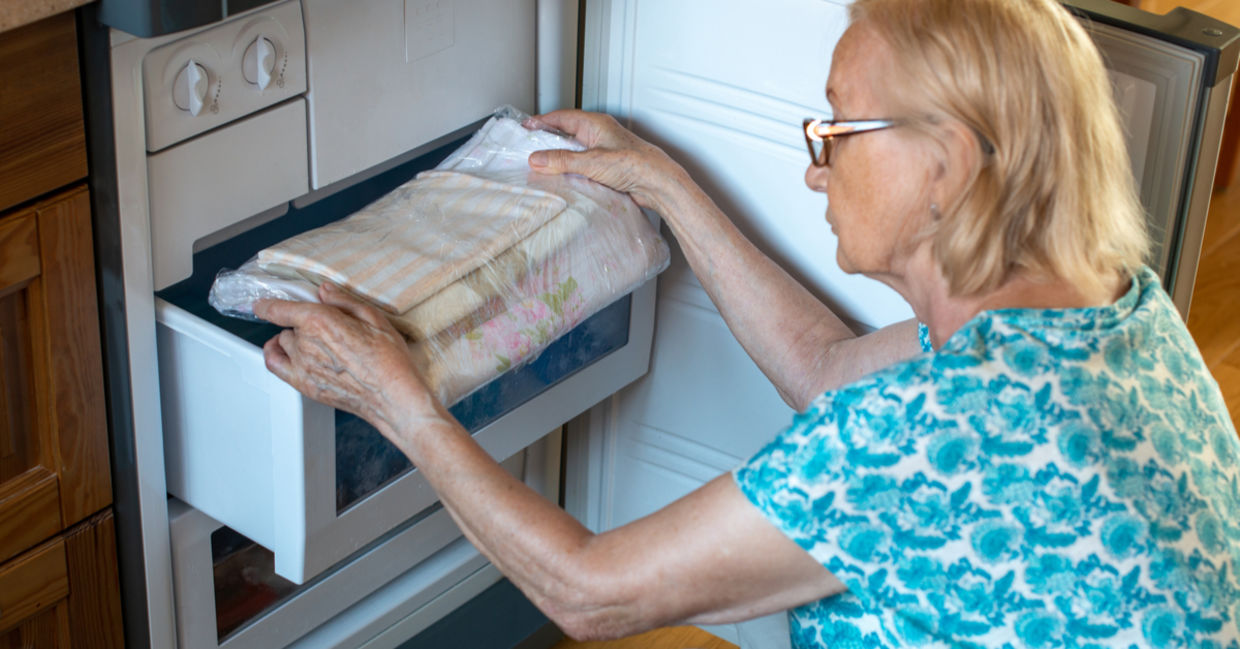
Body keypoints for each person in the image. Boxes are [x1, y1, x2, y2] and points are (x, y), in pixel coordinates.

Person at [253, 0, 1240, 646]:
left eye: (835, 128)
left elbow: (589, 591)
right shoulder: (1109, 310)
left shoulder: (936, 433)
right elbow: (829, 373)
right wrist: (664, 185)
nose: (815, 164)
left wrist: (397, 397)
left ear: (942, 165)